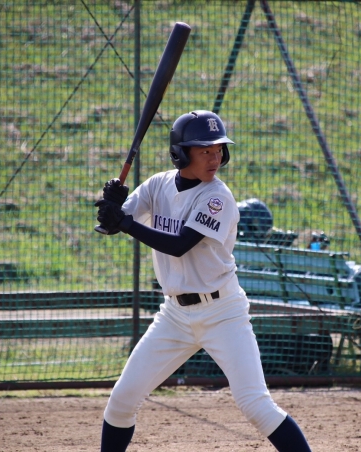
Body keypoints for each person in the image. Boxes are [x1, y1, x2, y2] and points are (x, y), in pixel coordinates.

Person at [94, 110, 312, 452]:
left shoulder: (217, 197)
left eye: (219, 149)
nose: (215, 158)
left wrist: (126, 223)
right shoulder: (157, 184)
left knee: (256, 405)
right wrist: (111, 205)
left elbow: (179, 244)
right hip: (174, 316)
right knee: (122, 400)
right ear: (181, 154)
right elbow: (110, 225)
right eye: (205, 150)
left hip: (222, 312)